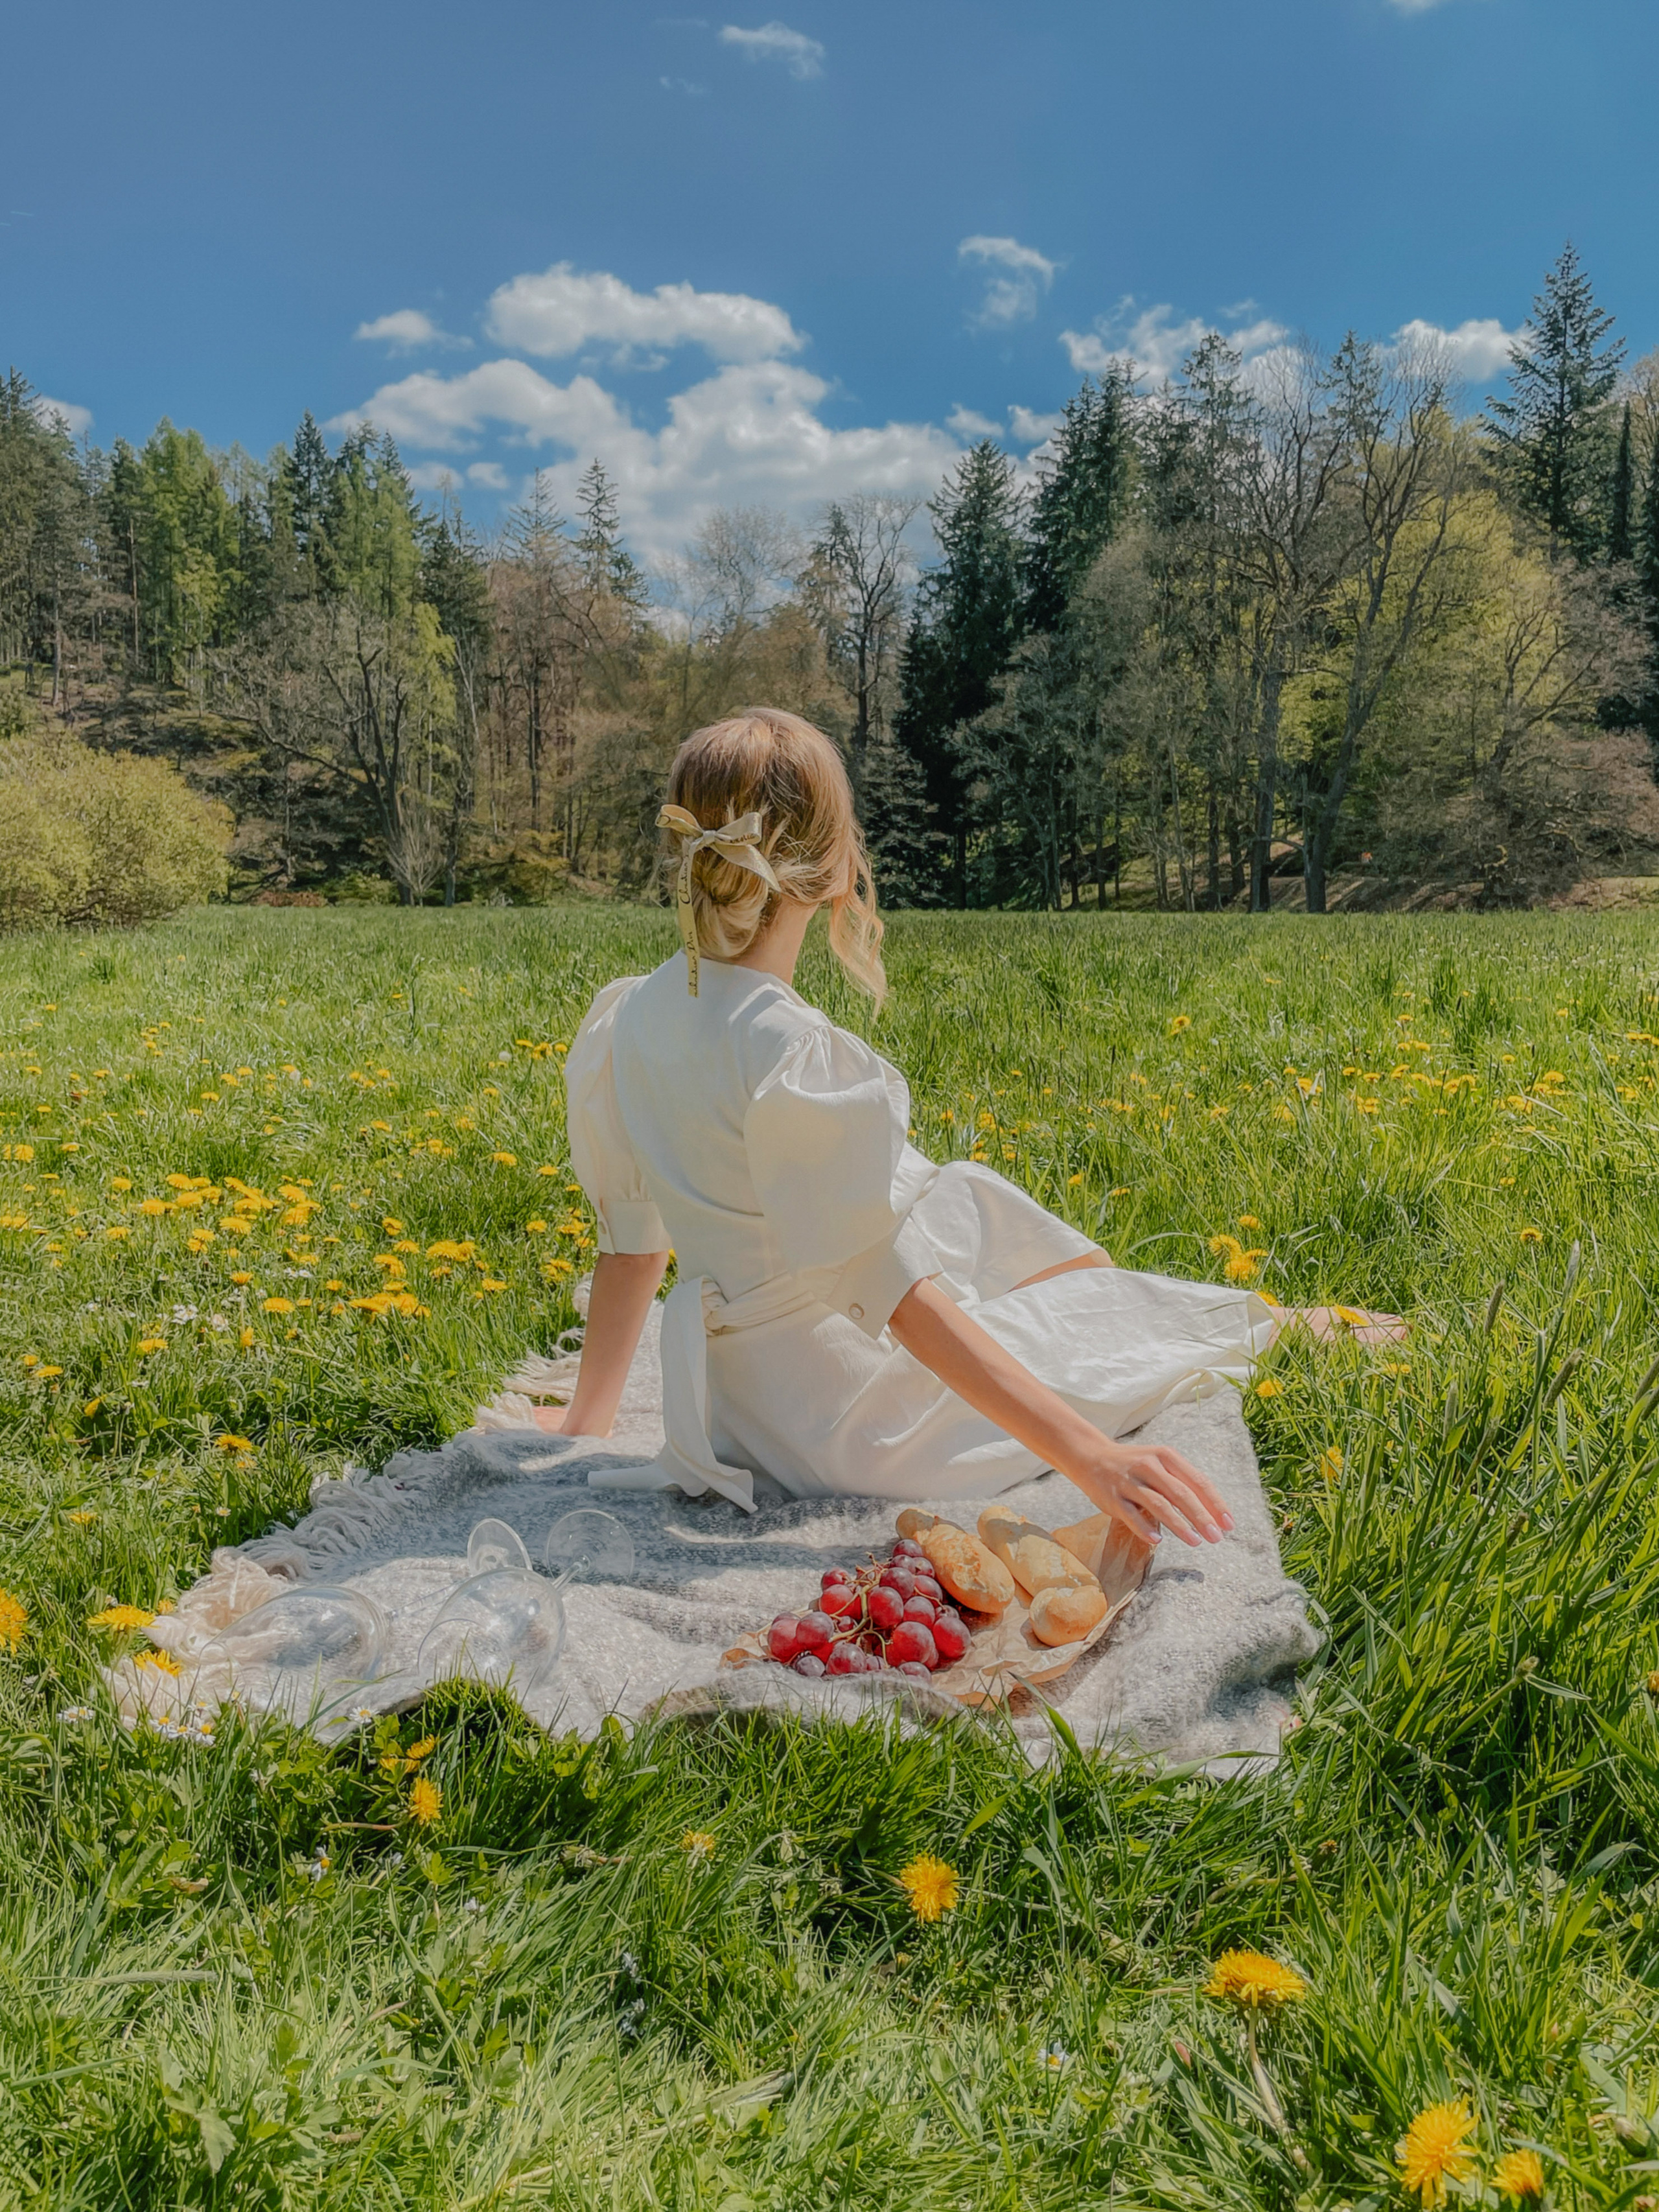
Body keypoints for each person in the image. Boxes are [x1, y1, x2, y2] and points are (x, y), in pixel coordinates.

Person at [537, 708, 1398, 1550]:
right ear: (833, 869)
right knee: (1103, 1325)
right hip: (852, 1426)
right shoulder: (788, 1050)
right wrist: (1091, 1455)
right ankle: (1295, 1326)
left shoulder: (633, 1014)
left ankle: (1094, 1301)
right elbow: (898, 1300)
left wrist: (588, 1420)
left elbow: (633, 1239)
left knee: (962, 1198)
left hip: (742, 1413)